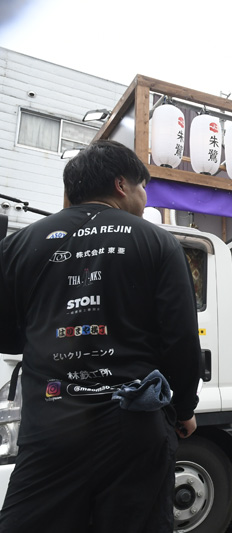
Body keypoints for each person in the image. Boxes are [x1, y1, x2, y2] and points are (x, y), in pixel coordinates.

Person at [0, 140, 202, 532]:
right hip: (133, 423)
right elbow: (179, 338)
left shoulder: (18, 245)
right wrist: (184, 407)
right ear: (121, 184)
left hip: (50, 422)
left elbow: (6, 334)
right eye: (143, 187)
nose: (144, 197)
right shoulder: (157, 241)